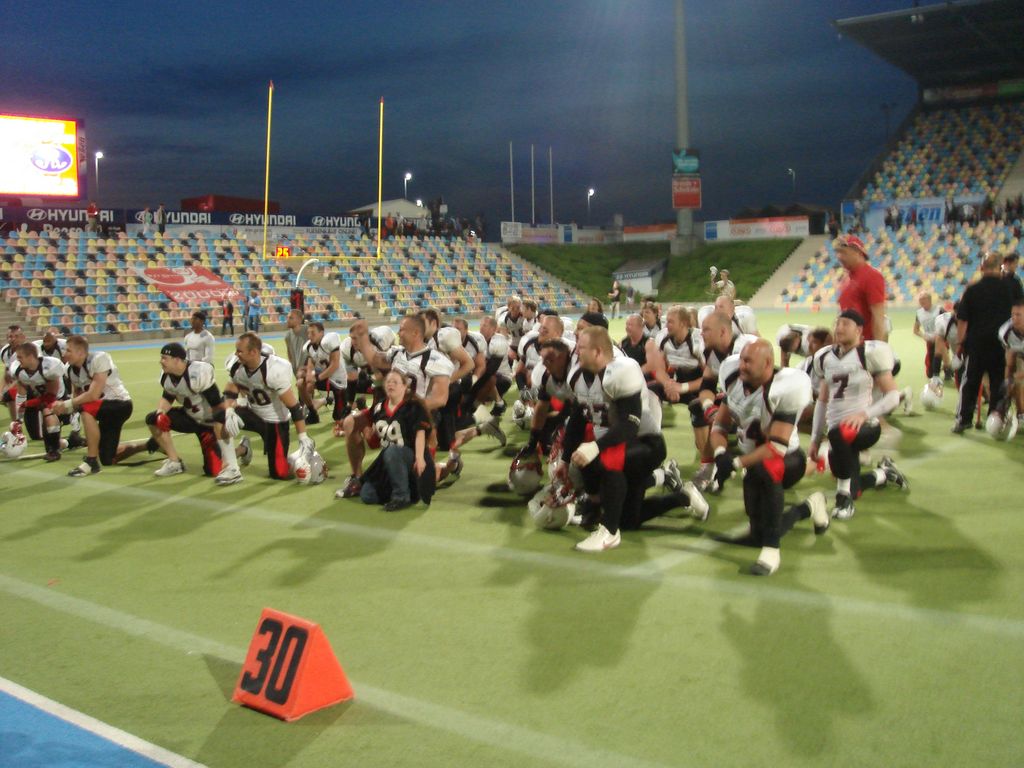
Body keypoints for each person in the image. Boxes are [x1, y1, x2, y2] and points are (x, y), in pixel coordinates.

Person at [709, 339, 828, 575]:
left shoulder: (784, 387)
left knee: (767, 468)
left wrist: (735, 463)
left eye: (748, 361)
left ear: (767, 363)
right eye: (741, 360)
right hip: (753, 461)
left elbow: (775, 448)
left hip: (788, 459)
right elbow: (719, 426)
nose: (742, 366)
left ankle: (772, 550)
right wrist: (721, 453)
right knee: (758, 529)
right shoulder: (733, 379)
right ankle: (809, 506)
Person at [338, 315, 453, 498]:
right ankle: (357, 476)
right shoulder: (396, 353)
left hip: (417, 418)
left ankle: (449, 466)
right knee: (350, 423)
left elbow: (440, 399)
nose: (398, 333)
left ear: (416, 333)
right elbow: (374, 358)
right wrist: (363, 337)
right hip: (388, 411)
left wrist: (405, 407)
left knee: (421, 479)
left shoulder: (436, 360)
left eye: (402, 329)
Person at [808, 310, 908, 520]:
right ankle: (884, 474)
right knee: (851, 484)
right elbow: (822, 401)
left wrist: (864, 414)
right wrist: (815, 439)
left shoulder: (868, 353)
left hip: (866, 426)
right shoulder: (825, 357)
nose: (839, 328)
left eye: (845, 324)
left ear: (859, 330)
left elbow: (892, 396)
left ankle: (843, 500)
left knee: (838, 435)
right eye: (837, 323)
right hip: (839, 433)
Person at [136, 342, 246, 483]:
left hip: (208, 424)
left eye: (164, 358)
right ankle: (175, 462)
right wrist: (160, 412)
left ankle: (242, 449)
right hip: (189, 417)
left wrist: (221, 426)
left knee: (214, 470)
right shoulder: (167, 376)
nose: (161, 361)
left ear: (177, 360)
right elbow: (167, 397)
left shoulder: (198, 373)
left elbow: (217, 405)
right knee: (153, 419)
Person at [222, 332, 313, 480]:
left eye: (240, 351)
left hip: (275, 421)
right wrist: (229, 411)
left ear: (253, 352)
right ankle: (232, 468)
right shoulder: (236, 366)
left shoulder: (274, 370)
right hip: (252, 412)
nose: (236, 354)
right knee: (220, 416)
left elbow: (294, 406)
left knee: (279, 473)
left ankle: (304, 461)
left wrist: (303, 437)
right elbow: (229, 393)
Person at [51, 336, 134, 477]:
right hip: (102, 410)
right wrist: (61, 409)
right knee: (107, 458)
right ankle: (148, 445)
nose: (64, 354)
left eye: (69, 351)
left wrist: (65, 404)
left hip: (119, 404)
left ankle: (91, 461)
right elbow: (77, 398)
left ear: (80, 352)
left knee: (86, 408)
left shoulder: (99, 359)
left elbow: (93, 395)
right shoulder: (70, 370)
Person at [356, 370, 435, 511]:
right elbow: (375, 441)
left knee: (392, 451)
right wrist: (367, 432)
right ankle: (399, 488)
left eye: (395, 382)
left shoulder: (414, 407)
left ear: (405, 386)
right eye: (388, 382)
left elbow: (420, 434)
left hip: (409, 458)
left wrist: (419, 458)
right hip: (388, 460)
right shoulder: (379, 407)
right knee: (367, 495)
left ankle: (402, 496)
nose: (390, 384)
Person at [953, 252, 1014, 434]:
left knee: (970, 382)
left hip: (976, 344)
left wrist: (960, 344)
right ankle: (995, 420)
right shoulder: (1009, 288)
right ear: (1000, 268)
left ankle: (964, 420)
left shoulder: (972, 290)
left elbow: (962, 320)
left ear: (981, 268)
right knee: (998, 383)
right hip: (1001, 344)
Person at [11, 342, 66, 461]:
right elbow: (21, 395)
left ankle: (55, 450)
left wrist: (28, 404)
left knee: (47, 411)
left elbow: (51, 397)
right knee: (45, 438)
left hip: (61, 398)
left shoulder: (50, 368)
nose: (18, 360)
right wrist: (18, 420)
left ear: (31, 357)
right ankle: (65, 444)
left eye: (20, 357)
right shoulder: (19, 371)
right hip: (42, 398)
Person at [835, 234, 887, 342]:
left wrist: (877, 348)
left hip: (863, 346)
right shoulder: (847, 278)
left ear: (858, 253)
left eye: (843, 252)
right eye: (838, 252)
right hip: (848, 346)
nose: (839, 257)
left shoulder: (872, 276)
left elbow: (878, 318)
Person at [299, 321, 347, 431]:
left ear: (321, 333)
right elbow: (311, 363)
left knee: (338, 419)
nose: (309, 336)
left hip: (338, 380)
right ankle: (312, 412)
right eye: (308, 333)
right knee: (301, 383)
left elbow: (334, 365)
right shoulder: (309, 347)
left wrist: (316, 379)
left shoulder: (329, 341)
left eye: (313, 333)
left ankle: (347, 408)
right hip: (324, 377)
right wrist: (310, 376)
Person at [997, 299, 1024, 426]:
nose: (1015, 318)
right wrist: (1008, 382)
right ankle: (1021, 414)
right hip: (1019, 354)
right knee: (1015, 383)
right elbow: (1010, 362)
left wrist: (1016, 377)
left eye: (1019, 315)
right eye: (1013, 314)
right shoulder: (1005, 332)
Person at [912, 292, 941, 378]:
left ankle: (946, 370)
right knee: (929, 373)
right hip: (930, 341)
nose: (921, 301)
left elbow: (947, 323)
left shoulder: (939, 310)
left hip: (941, 339)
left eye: (923, 299)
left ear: (929, 300)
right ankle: (934, 372)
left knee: (939, 355)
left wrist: (940, 336)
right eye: (920, 300)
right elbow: (916, 330)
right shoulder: (919, 313)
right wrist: (924, 336)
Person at [283, 309, 308, 375]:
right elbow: (289, 353)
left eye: (291, 318)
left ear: (299, 320)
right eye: (287, 318)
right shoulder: (288, 336)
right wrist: (292, 366)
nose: (287, 320)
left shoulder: (308, 331)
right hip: (296, 371)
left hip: (308, 369)